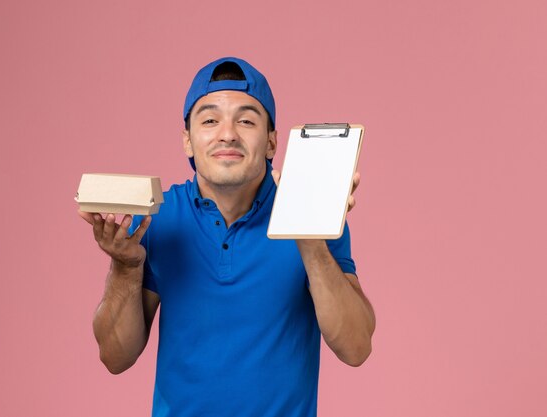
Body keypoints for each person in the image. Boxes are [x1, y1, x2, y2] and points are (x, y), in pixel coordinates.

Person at [79, 57, 375, 417]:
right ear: (188, 141)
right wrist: (125, 266)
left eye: (247, 120)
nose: (228, 134)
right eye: (209, 120)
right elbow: (115, 357)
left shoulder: (313, 217)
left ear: (271, 143)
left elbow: (356, 347)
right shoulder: (158, 217)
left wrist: (310, 240)